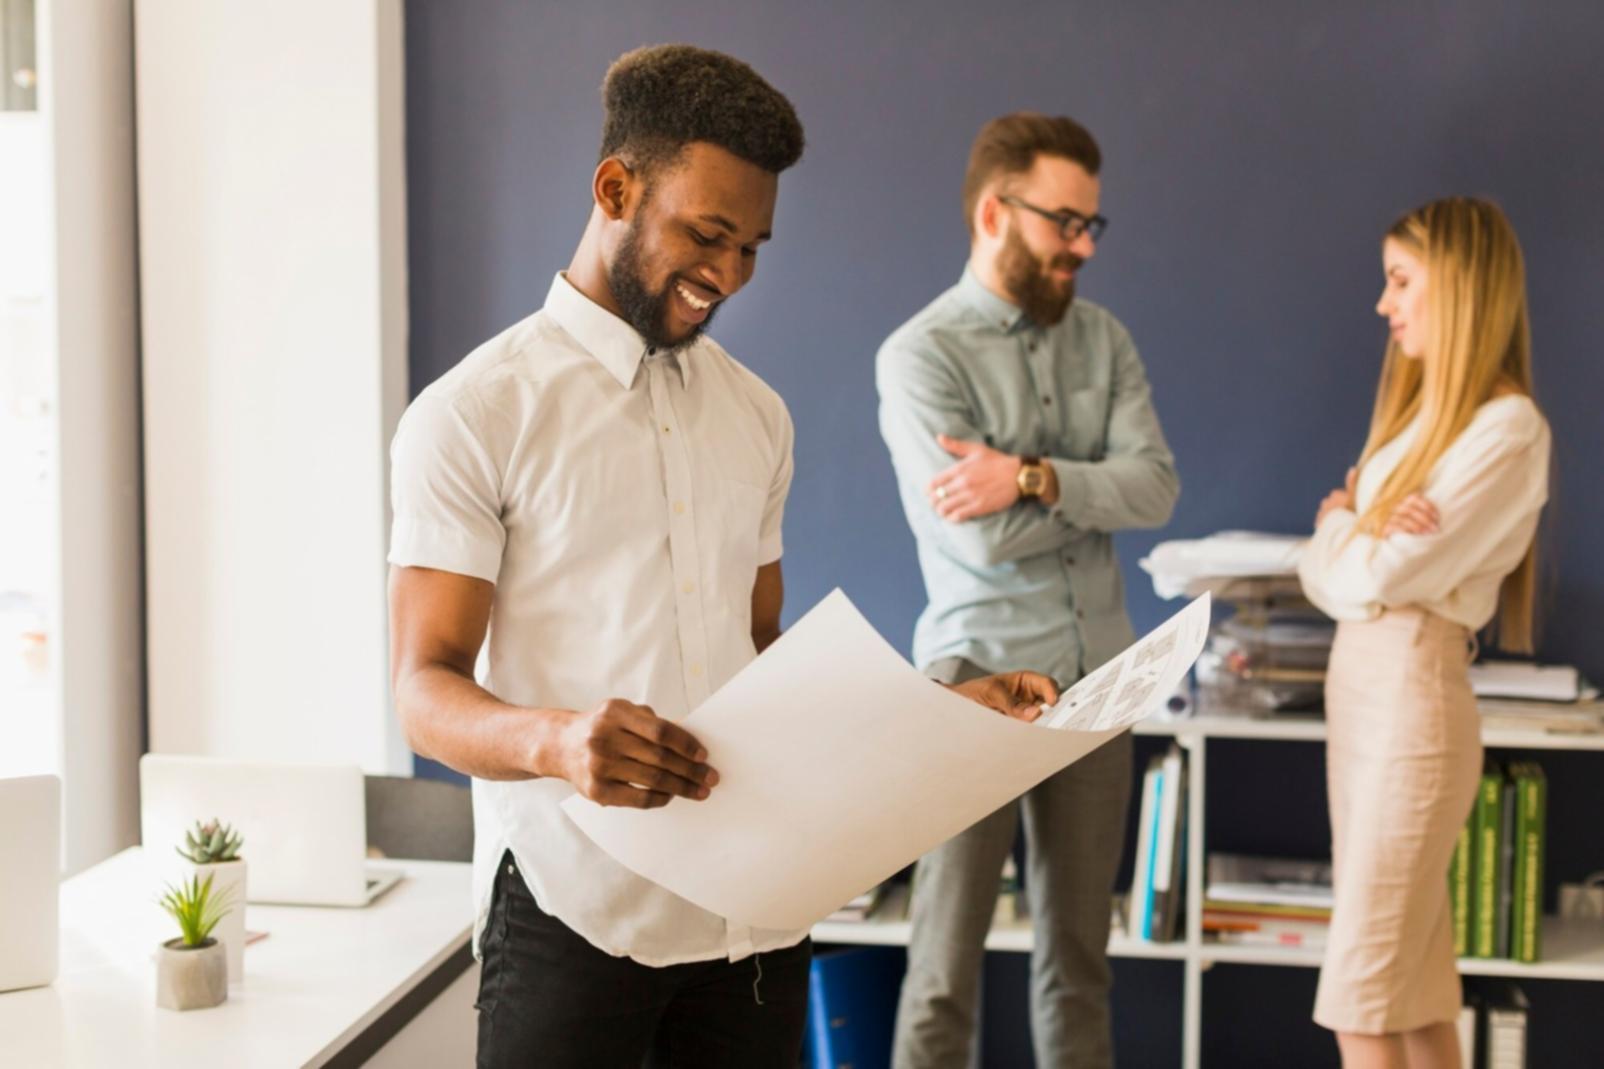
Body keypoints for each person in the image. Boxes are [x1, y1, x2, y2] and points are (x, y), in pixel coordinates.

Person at [386, 45, 1057, 1069]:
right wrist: (561, 740)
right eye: (708, 233)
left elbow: (759, 659)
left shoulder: (757, 416)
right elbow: (423, 688)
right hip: (571, 914)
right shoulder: (475, 414)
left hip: (753, 923)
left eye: (752, 247)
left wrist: (938, 714)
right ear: (615, 188)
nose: (730, 275)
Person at [877, 112, 1179, 1069]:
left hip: (1100, 680)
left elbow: (1158, 487)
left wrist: (1035, 473)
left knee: (1080, 967)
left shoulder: (1107, 340)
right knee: (941, 968)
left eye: (1093, 226)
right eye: (1064, 223)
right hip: (974, 681)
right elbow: (987, 537)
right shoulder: (919, 355)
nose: (1082, 248)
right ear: (993, 213)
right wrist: (1082, 490)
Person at [1298, 196, 1551, 1069]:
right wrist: (1352, 534)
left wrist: (1341, 523)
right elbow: (1346, 573)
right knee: (1412, 995)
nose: (1384, 303)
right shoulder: (1416, 425)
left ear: (1462, 287)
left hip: (1413, 703)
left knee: (1360, 996)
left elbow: (1368, 575)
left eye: (1401, 280)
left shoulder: (1507, 429)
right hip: (1366, 695)